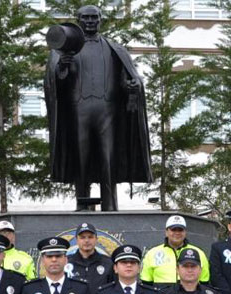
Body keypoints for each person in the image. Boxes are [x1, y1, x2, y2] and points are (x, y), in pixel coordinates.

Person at [45, 5, 152, 211]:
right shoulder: (64, 49)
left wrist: (133, 86)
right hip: (79, 112)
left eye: (94, 17)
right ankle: (83, 205)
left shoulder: (115, 49)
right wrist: (63, 67)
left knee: (108, 158)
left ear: (100, 20)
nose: (90, 21)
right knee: (81, 158)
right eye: (86, 17)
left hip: (108, 113)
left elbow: (127, 78)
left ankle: (110, 205)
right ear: (78, 19)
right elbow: (55, 85)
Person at [141, 215, 210, 289]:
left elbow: (204, 282)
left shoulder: (198, 253)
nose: (177, 233)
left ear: (185, 232)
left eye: (180, 230)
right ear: (166, 232)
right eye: (173, 230)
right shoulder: (152, 253)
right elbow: (146, 283)